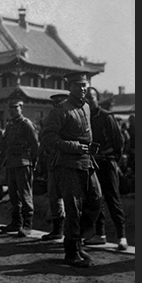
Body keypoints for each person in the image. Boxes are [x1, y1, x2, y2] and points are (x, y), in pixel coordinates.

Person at [40, 72, 103, 267]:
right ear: (70, 88)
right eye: (78, 85)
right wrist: (76, 147)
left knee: (96, 200)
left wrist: (88, 148)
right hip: (68, 165)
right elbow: (47, 137)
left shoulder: (86, 106)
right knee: (73, 209)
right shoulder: (60, 110)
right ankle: (71, 252)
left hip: (87, 161)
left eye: (85, 85)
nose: (83, 88)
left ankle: (79, 240)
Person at [84, 87, 129, 251]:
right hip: (92, 163)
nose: (89, 100)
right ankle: (100, 234)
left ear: (98, 98)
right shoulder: (85, 117)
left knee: (113, 198)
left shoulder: (106, 116)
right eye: (86, 98)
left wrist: (111, 159)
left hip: (107, 163)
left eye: (92, 97)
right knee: (96, 199)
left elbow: (119, 142)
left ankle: (121, 236)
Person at [0, 98, 39, 238]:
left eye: (15, 108)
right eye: (10, 109)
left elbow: (35, 145)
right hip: (11, 163)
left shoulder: (26, 124)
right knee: (13, 194)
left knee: (25, 194)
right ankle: (16, 222)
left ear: (21, 109)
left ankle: (27, 225)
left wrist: (34, 164)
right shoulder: (10, 125)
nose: (12, 111)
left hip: (23, 163)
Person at [39, 93, 69, 241]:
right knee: (54, 196)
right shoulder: (49, 120)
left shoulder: (72, 119)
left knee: (70, 197)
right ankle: (58, 229)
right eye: (55, 104)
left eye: (60, 103)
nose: (57, 106)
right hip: (53, 162)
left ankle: (73, 232)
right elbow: (43, 139)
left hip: (68, 163)